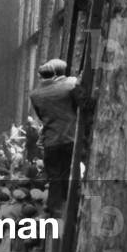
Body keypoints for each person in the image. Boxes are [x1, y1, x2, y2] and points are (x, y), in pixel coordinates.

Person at [27, 59, 82, 216]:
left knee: (55, 177)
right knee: (71, 174)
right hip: (70, 138)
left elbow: (41, 116)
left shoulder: (35, 94)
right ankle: (71, 206)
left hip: (51, 141)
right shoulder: (70, 84)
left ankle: (55, 207)